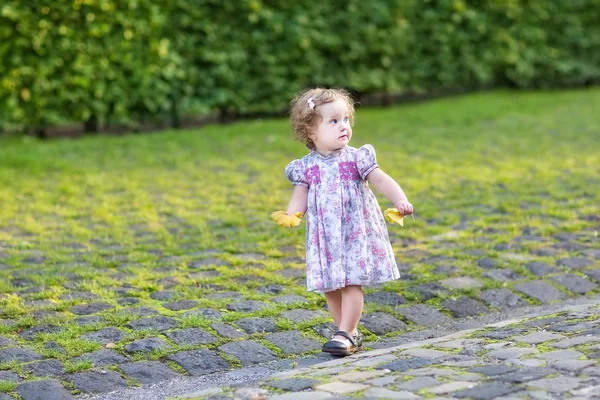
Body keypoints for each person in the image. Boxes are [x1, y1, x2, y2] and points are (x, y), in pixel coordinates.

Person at [271, 87, 413, 356]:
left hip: (353, 230)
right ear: (312, 132)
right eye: (333, 121)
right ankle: (347, 333)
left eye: (346, 119)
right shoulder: (306, 166)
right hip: (325, 236)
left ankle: (346, 331)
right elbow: (300, 196)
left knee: (350, 281)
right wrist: (292, 214)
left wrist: (399, 200)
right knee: (330, 285)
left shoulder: (356, 158)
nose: (343, 127)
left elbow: (381, 179)